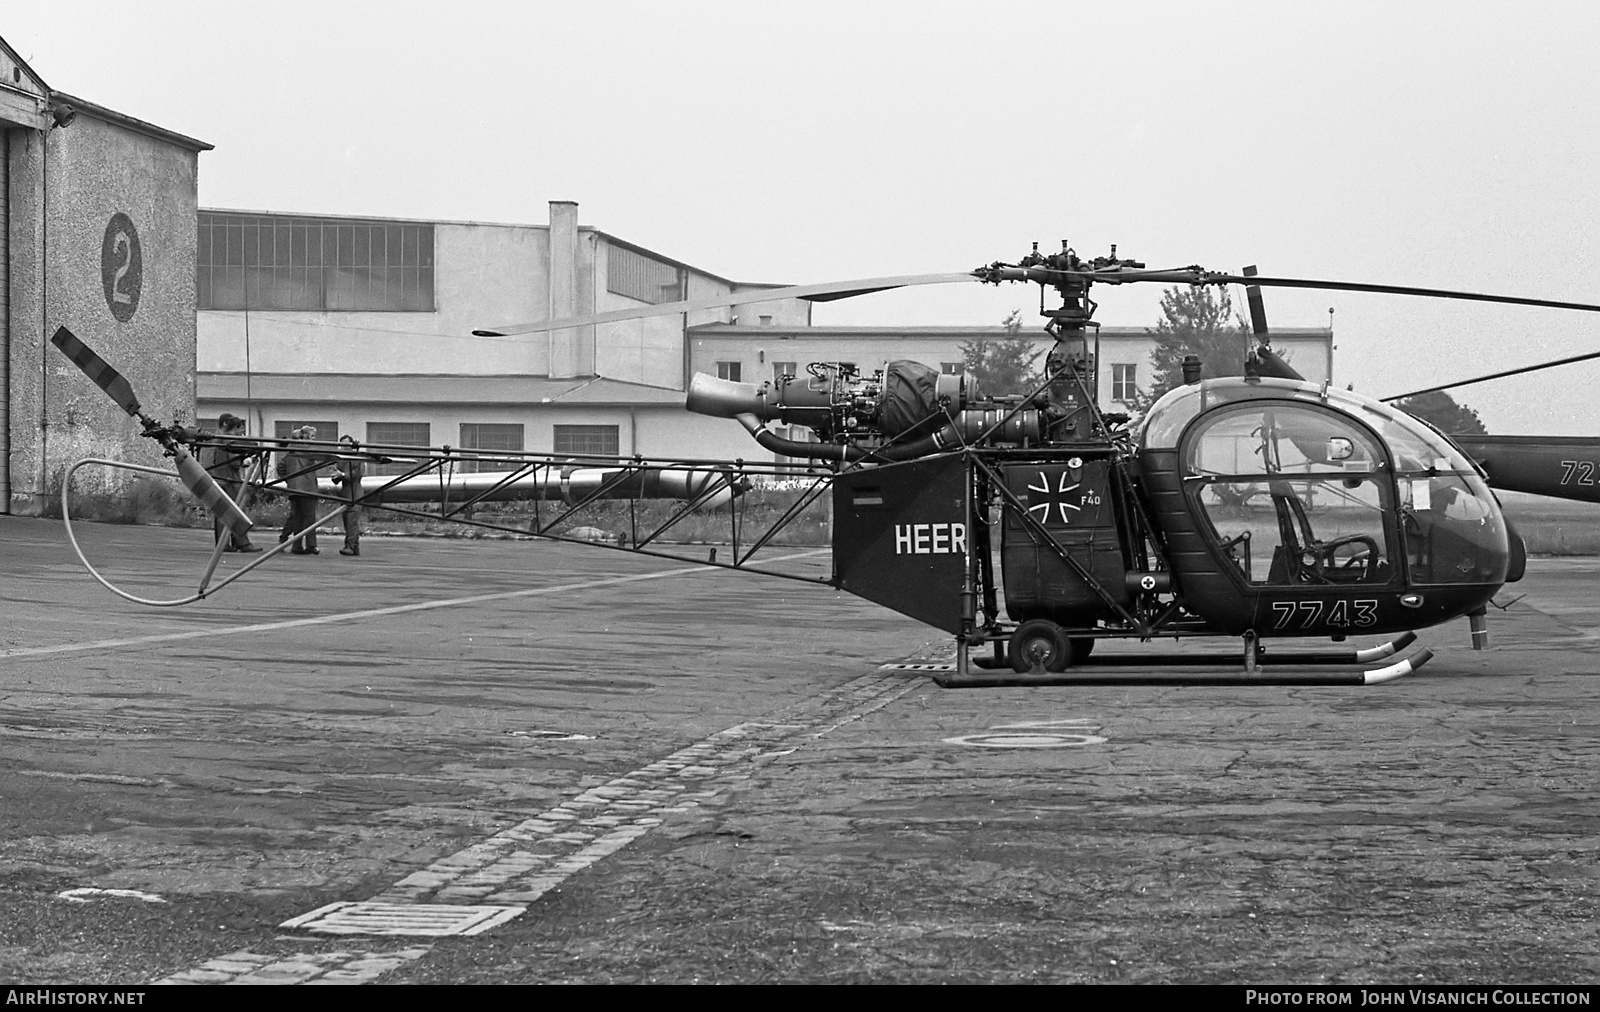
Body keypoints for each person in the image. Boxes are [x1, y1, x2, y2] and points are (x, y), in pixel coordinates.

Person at [199, 413, 262, 553]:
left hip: (216, 479)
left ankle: (223, 543)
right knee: (237, 510)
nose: (238, 433)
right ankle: (242, 542)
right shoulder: (227, 441)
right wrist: (245, 460)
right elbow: (233, 461)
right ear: (227, 425)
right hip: (229, 480)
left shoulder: (212, 440)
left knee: (221, 512)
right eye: (237, 429)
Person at [278, 426, 329, 554]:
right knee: (309, 518)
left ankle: (296, 545)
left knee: (297, 518)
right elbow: (323, 456)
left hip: (294, 489)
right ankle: (311, 545)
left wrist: (290, 480)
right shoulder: (308, 451)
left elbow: (280, 468)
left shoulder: (289, 455)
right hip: (307, 488)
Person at [332, 434, 365, 556]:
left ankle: (349, 546)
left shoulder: (357, 458)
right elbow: (335, 479)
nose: (344, 448)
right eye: (342, 445)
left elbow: (357, 474)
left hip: (355, 491)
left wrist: (343, 475)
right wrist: (336, 475)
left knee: (352, 520)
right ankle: (354, 546)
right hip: (345, 492)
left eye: (346, 445)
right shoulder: (341, 460)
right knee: (347, 521)